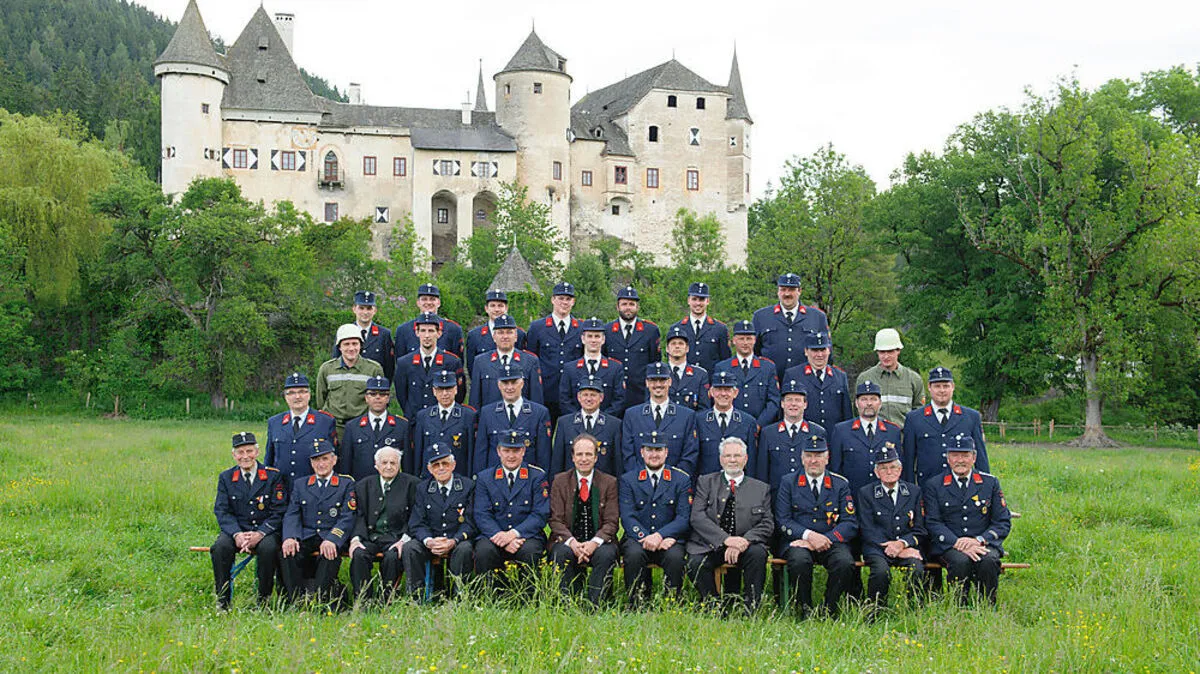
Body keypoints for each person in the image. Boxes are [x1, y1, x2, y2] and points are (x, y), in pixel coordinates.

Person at [686, 437, 773, 614]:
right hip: (711, 544)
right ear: (720, 459)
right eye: (727, 456)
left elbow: (767, 523)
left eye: (737, 455)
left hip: (745, 545)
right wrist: (726, 540)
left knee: (758, 554)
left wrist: (744, 541)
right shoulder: (705, 482)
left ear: (746, 459)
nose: (732, 460)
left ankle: (751, 609)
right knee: (695, 563)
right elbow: (697, 517)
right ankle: (714, 606)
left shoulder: (761, 488)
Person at [774, 435, 857, 617]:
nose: (813, 460)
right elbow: (783, 519)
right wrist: (809, 536)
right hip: (798, 541)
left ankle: (829, 607)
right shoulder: (788, 482)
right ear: (802, 458)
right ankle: (805, 608)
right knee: (799, 562)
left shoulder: (840, 484)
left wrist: (826, 539)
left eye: (818, 455)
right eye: (809, 455)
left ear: (827, 458)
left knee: (845, 563)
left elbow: (849, 522)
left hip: (831, 541)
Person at [923, 435, 1011, 605]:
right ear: (948, 458)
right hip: (949, 545)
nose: (960, 460)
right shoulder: (934, 485)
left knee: (989, 560)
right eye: (955, 455)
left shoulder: (989, 483)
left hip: (982, 543)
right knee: (960, 561)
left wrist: (979, 540)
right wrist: (956, 542)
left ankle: (986, 608)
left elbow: (1002, 521)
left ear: (974, 457)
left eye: (965, 455)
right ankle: (958, 608)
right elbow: (933, 522)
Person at [210, 431, 287, 610]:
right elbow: (222, 511)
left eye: (249, 451)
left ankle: (264, 600)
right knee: (220, 548)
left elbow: (279, 510)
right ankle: (222, 601)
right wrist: (237, 534)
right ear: (234, 455)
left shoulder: (273, 476)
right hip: (237, 530)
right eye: (240, 452)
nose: (245, 456)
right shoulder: (226, 477)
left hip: (265, 530)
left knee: (268, 549)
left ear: (257, 452)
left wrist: (260, 533)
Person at [619, 431, 692, 608]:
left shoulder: (681, 479)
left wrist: (660, 536)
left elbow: (684, 517)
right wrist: (646, 537)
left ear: (666, 452)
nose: (654, 455)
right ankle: (637, 605)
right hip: (638, 538)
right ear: (642, 452)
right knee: (634, 555)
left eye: (658, 450)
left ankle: (672, 605)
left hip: (669, 539)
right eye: (649, 450)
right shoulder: (628, 479)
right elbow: (627, 516)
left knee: (675, 557)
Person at [281, 438, 357, 603]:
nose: (321, 464)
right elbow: (292, 513)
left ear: (334, 460)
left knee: (329, 554)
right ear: (311, 462)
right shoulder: (301, 484)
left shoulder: (346, 484)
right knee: (287, 553)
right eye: (316, 459)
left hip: (331, 536)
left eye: (325, 459)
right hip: (307, 535)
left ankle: (322, 600)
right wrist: (290, 537)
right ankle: (296, 600)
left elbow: (347, 516)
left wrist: (332, 539)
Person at [548, 435, 620, 607]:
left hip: (598, 541)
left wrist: (594, 543)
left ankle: (595, 605)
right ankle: (566, 604)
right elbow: (555, 520)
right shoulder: (560, 481)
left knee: (605, 554)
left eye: (588, 454)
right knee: (561, 554)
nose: (584, 459)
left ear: (596, 457)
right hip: (568, 540)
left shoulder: (609, 482)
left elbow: (612, 522)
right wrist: (572, 543)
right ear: (572, 457)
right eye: (579, 454)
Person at [473, 430, 550, 590]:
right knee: (484, 551)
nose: (511, 456)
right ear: (498, 451)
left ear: (523, 451)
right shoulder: (485, 478)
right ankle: (492, 596)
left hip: (526, 536)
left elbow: (540, 514)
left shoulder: (537, 476)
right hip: (494, 535)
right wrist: (500, 537)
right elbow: (482, 514)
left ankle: (528, 599)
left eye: (515, 450)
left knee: (530, 552)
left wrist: (513, 534)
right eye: (506, 451)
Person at [402, 445, 477, 600]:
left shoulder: (467, 486)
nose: (441, 468)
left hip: (456, 540)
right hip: (432, 540)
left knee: (465, 549)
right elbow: (417, 522)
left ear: (453, 465)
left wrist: (454, 540)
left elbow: (470, 522)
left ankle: (461, 599)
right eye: (436, 465)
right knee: (410, 547)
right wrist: (429, 541)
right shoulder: (423, 488)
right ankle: (416, 599)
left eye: (445, 464)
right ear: (430, 469)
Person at [857, 446, 926, 609]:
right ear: (876, 472)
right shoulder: (866, 493)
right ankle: (874, 612)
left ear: (900, 469)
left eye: (893, 467)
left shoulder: (914, 492)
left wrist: (902, 544)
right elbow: (866, 528)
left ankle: (916, 611)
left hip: (906, 546)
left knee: (916, 568)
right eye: (883, 468)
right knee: (881, 572)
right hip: (877, 548)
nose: (889, 471)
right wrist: (892, 547)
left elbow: (920, 529)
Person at [347, 447, 419, 601]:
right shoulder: (363, 485)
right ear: (376, 465)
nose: (388, 466)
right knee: (359, 554)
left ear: (399, 465)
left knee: (393, 557)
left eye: (393, 463)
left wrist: (404, 540)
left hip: (396, 538)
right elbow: (358, 515)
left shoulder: (412, 484)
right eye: (384, 462)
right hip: (370, 537)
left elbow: (416, 516)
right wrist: (356, 539)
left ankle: (387, 599)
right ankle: (362, 600)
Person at [902, 367, 990, 487]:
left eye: (946, 386)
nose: (942, 390)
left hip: (961, 488)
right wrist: (910, 492)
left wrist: (985, 488)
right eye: (937, 386)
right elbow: (908, 460)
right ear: (929, 387)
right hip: (927, 487)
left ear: (953, 386)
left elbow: (980, 457)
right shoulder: (914, 418)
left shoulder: (970, 417)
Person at [621, 362, 699, 475]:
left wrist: (672, 481)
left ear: (670, 382)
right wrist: (643, 481)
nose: (658, 384)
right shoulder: (632, 415)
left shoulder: (686, 416)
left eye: (662, 380)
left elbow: (689, 456)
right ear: (647, 383)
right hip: (640, 485)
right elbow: (628, 455)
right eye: (653, 380)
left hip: (674, 486)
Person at [473, 364, 553, 475]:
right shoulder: (487, 413)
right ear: (499, 385)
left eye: (514, 382)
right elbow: (480, 454)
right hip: (495, 482)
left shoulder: (539, 413)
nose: (509, 387)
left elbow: (544, 455)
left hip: (528, 481)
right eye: (505, 383)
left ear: (522, 383)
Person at [753, 272, 829, 382]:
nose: (787, 294)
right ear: (778, 291)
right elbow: (754, 352)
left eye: (791, 290)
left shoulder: (817, 317)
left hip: (807, 383)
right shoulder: (761, 316)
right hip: (770, 382)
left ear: (799, 291)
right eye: (783, 289)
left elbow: (827, 351)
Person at [830, 380, 902, 495]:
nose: (869, 403)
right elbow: (835, 469)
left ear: (880, 403)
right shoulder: (841, 431)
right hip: (852, 495)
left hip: (883, 497)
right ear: (856, 403)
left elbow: (899, 468)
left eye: (873, 399)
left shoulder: (893, 431)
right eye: (864, 399)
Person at [525, 282, 583, 421]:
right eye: (561, 298)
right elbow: (531, 360)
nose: (564, 302)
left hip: (573, 394)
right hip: (545, 392)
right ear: (553, 299)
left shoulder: (581, 328)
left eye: (568, 299)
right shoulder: (537, 327)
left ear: (573, 302)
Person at [265, 373, 338, 484]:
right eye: (292, 393)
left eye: (301, 391)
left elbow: (333, 459)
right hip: (281, 488)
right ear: (285, 397)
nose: (297, 397)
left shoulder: (325, 422)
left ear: (309, 394)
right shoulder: (275, 422)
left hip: (312, 489)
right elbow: (269, 460)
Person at [756, 379, 826, 494]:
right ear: (782, 404)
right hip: (776, 496)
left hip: (807, 497)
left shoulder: (817, 432)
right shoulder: (768, 433)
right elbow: (762, 472)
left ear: (805, 404)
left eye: (798, 400)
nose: (793, 404)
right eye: (789, 400)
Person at [316, 323, 385, 438]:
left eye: (355, 343)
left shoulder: (374, 369)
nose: (351, 348)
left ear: (361, 345)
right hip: (334, 427)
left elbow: (380, 398)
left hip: (362, 427)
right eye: (346, 344)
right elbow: (320, 399)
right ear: (339, 347)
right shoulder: (327, 369)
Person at [394, 312, 465, 419]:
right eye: (423, 330)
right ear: (417, 333)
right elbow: (402, 395)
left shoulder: (452, 362)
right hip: (414, 422)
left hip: (441, 421)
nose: (427, 336)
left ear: (439, 333)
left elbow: (459, 394)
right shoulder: (404, 363)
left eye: (431, 331)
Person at [340, 376, 411, 479]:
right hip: (361, 487)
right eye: (373, 394)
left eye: (382, 394)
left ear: (388, 398)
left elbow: (407, 465)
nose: (378, 397)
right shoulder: (352, 427)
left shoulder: (402, 426)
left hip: (393, 487)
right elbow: (346, 465)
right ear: (366, 398)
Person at [604, 286, 660, 413]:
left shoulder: (650, 331)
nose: (628, 307)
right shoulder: (607, 330)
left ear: (637, 307)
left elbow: (654, 362)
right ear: (617, 307)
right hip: (613, 395)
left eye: (631, 304)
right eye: (624, 304)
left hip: (640, 395)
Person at [469, 313, 544, 409]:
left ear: (516, 336)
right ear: (494, 337)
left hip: (522, 421)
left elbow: (536, 399)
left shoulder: (530, 361)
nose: (505, 336)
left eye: (509, 332)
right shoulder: (480, 361)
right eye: (500, 332)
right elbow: (475, 399)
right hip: (490, 421)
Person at [551, 376, 622, 476]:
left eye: (593, 395)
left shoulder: (614, 425)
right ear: (579, 397)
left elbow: (618, 464)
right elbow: (557, 463)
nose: (589, 399)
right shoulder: (564, 423)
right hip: (571, 486)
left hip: (603, 487)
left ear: (601, 397)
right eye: (585, 395)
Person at [713, 320, 779, 427]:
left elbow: (774, 401)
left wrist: (759, 424)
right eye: (741, 338)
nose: (745, 343)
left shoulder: (767, 367)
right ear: (734, 340)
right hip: (731, 426)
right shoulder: (722, 367)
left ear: (755, 340)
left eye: (749, 339)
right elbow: (717, 399)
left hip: (760, 428)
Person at [695, 371, 760, 478]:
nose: (723, 394)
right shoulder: (698, 420)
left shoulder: (747, 422)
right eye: (718, 389)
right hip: (707, 486)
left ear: (735, 393)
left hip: (738, 486)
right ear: (711, 392)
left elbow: (752, 462)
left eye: (727, 390)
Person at [855, 328, 925, 428]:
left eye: (890, 351)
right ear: (877, 352)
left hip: (903, 439)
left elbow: (919, 414)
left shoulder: (914, 379)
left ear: (898, 351)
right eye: (882, 352)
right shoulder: (864, 378)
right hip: (873, 439)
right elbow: (857, 410)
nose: (886, 356)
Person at [782, 332, 851, 432]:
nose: (819, 355)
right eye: (814, 350)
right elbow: (784, 410)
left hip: (833, 437)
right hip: (804, 438)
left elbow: (847, 413)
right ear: (806, 351)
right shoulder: (793, 375)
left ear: (829, 351)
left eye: (823, 350)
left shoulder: (840, 376)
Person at [559, 317, 626, 418]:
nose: (593, 340)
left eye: (597, 336)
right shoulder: (570, 368)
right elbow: (564, 400)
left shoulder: (615, 368)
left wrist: (600, 421)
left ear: (603, 339)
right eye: (589, 336)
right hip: (577, 426)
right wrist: (581, 419)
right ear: (583, 339)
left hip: (606, 425)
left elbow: (619, 400)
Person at [412, 370, 475, 472]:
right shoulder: (423, 416)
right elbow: (419, 451)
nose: (445, 394)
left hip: (458, 475)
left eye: (448, 389)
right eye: (440, 389)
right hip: (431, 475)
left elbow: (471, 452)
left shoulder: (468, 415)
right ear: (434, 391)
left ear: (455, 389)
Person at [330, 290, 396, 381]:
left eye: (369, 308)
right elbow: (336, 361)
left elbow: (389, 367)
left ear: (375, 310)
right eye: (361, 308)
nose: (365, 312)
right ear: (354, 309)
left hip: (374, 389)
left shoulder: (384, 334)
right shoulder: (344, 332)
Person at [672, 282, 730, 374]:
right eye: (694, 299)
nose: (698, 303)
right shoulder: (677, 328)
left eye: (702, 299)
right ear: (688, 300)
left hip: (711, 384)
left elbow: (725, 361)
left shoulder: (720, 329)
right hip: (685, 383)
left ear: (708, 301)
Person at [395, 284, 464, 359]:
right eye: (424, 299)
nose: (428, 302)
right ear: (418, 303)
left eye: (432, 299)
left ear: (439, 303)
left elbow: (458, 364)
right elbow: (400, 365)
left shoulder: (453, 329)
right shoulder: (403, 330)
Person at [465, 290, 529, 366]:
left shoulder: (519, 334)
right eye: (492, 306)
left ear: (506, 308)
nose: (497, 310)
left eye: (500, 306)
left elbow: (524, 362)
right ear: (486, 308)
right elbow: (472, 367)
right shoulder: (474, 335)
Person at [663, 324, 710, 411]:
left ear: (687, 348)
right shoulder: (659, 374)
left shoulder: (700, 375)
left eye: (681, 343)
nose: (677, 346)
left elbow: (704, 409)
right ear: (667, 348)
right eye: (673, 343)